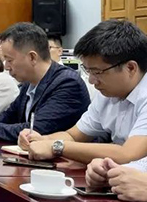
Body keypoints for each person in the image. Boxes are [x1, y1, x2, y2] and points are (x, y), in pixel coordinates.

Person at [19, 20, 147, 164]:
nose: (91, 80)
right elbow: (73, 136)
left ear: (130, 68)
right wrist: (42, 140)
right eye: (88, 70)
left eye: (98, 72)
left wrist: (56, 146)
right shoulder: (108, 93)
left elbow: (127, 154)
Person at [0, 22, 90, 141]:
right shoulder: (29, 82)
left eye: (9, 60)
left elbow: (35, 130)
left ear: (32, 57)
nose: (6, 67)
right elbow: (10, 115)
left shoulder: (67, 83)